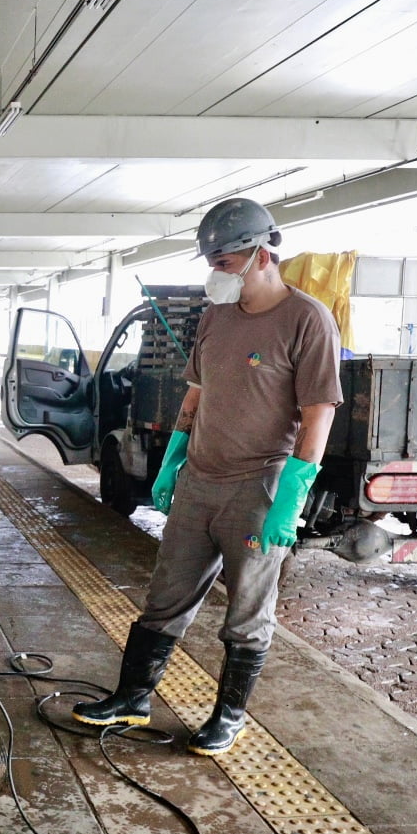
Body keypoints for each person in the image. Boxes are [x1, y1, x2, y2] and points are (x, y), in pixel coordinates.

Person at [73, 198, 341, 755]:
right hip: (198, 481)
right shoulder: (217, 316)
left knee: (246, 613)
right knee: (164, 598)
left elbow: (318, 414)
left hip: (258, 487)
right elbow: (196, 393)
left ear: (261, 255)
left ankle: (228, 717)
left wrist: (290, 497)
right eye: (212, 263)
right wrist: (174, 457)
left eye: (224, 262)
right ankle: (132, 698)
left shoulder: (307, 319)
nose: (215, 273)